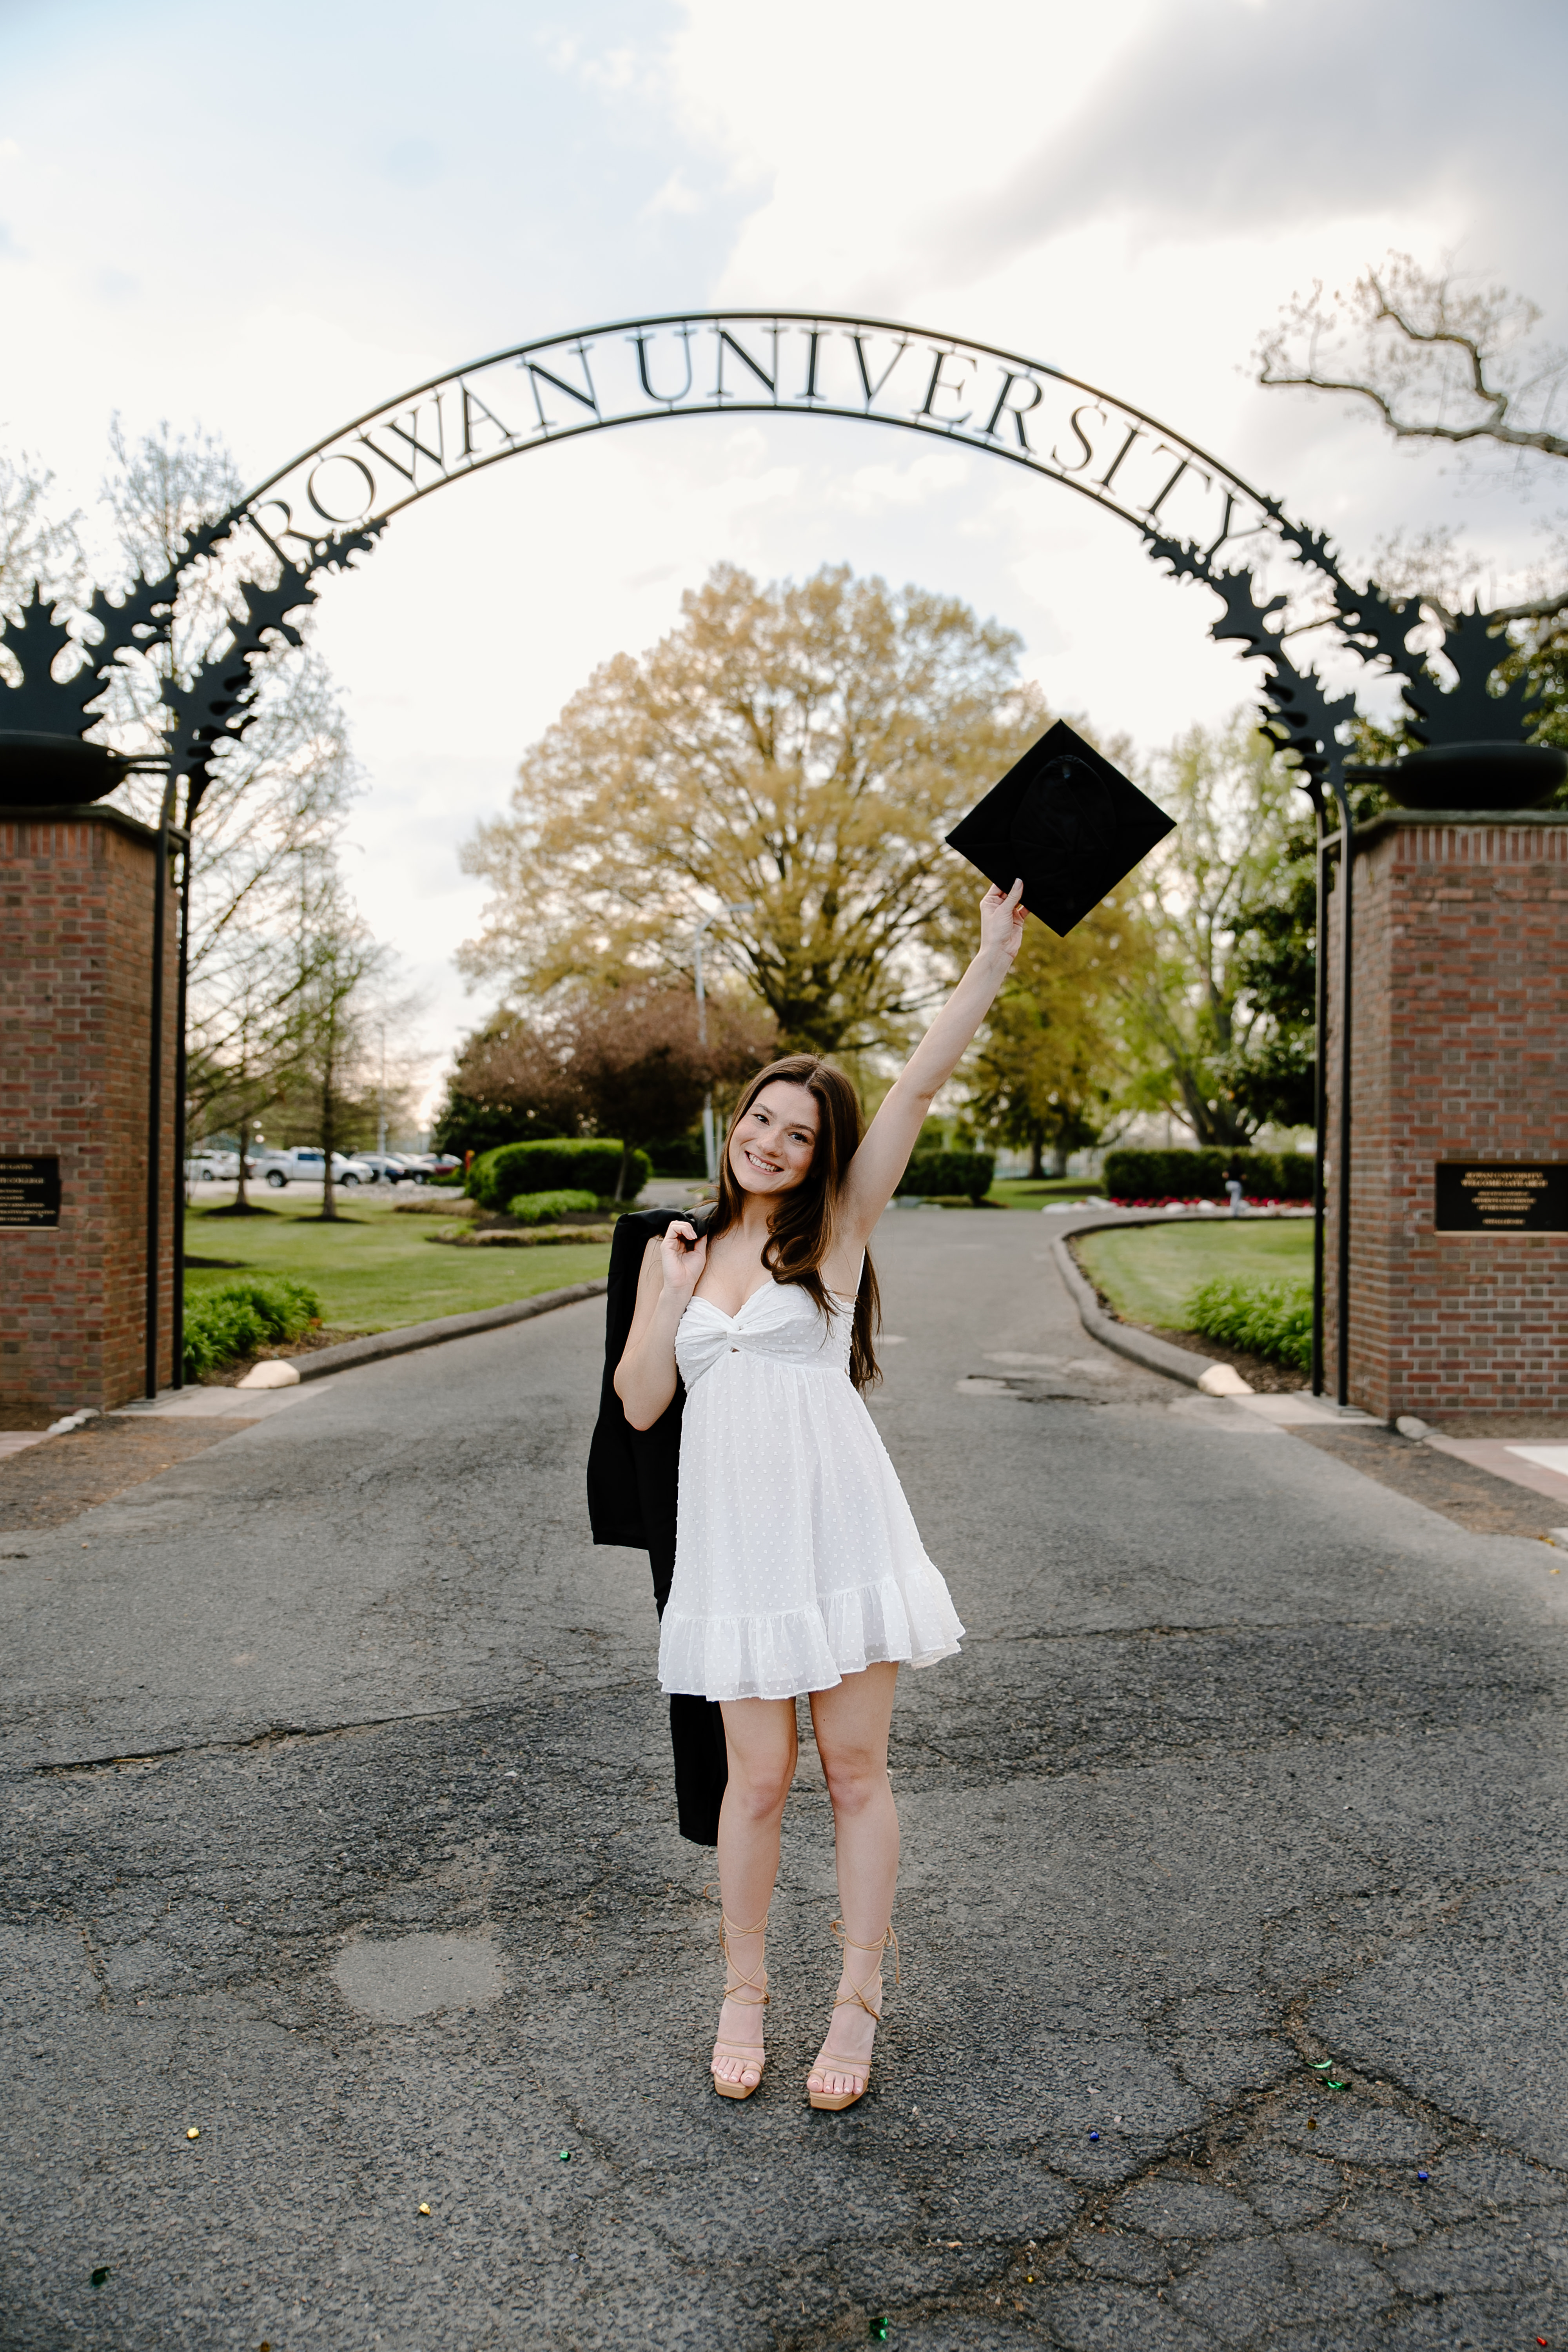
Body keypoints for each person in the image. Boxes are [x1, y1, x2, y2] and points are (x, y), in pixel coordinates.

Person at [614, 880, 1027, 2109]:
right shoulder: (676, 1251)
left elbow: (912, 1088)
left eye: (799, 1133)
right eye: (763, 1121)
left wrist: (991, 957)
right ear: (735, 1123)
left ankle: (855, 2001)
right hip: (737, 1547)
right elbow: (641, 1404)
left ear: (821, 1153)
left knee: (854, 1772)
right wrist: (661, 1293)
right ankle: (745, 1990)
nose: (774, 1144)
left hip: (838, 1527)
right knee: (757, 1782)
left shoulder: (836, 1229)